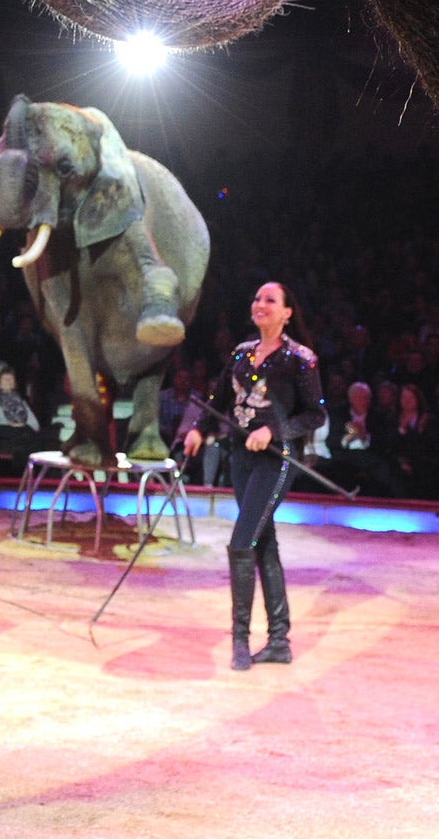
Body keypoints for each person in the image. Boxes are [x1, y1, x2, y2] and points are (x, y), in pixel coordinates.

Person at [185, 281, 324, 671]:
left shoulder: (301, 358)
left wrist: (273, 432)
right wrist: (198, 427)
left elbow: (316, 414)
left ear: (286, 313)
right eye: (257, 298)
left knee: (242, 540)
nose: (260, 304)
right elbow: (217, 399)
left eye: (271, 300)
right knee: (265, 542)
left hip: (276, 461)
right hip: (241, 461)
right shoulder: (242, 354)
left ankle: (240, 640)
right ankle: (279, 639)